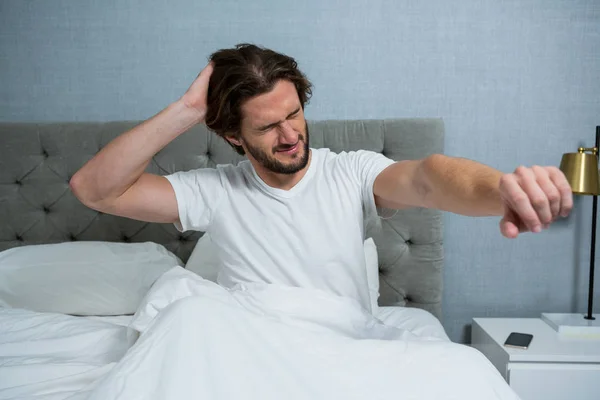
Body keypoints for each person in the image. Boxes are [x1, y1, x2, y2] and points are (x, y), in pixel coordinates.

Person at [70, 43, 573, 312]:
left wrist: (499, 189)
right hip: (254, 351)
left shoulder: (351, 171)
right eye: (267, 127)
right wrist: (185, 110)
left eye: (294, 114)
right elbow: (95, 189)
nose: (290, 135)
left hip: (341, 346)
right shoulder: (215, 189)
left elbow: (428, 177)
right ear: (233, 137)